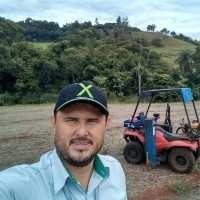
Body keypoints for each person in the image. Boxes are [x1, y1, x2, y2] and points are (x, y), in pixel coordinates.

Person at [0, 81, 127, 200]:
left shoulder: (114, 170)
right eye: (71, 120)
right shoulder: (15, 187)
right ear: (54, 122)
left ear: (106, 124)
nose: (82, 132)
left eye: (92, 121)